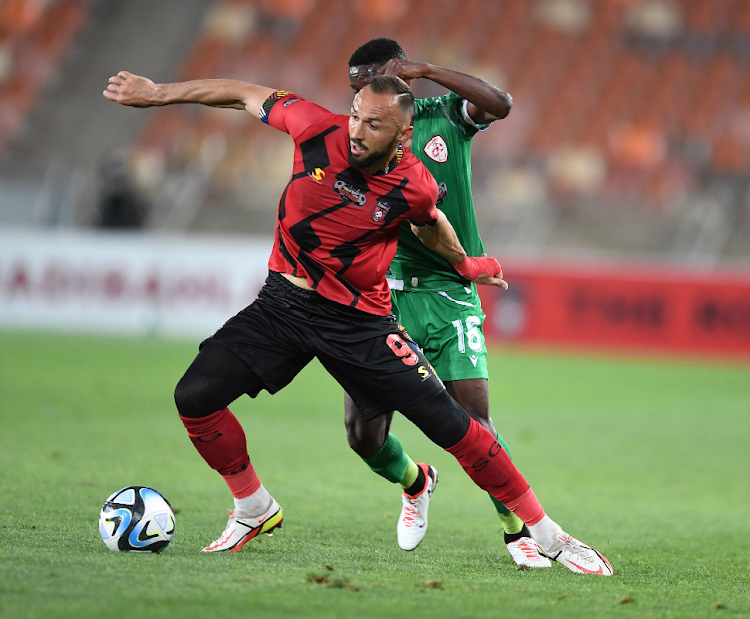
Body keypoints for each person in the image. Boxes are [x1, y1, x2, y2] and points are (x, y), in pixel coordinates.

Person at [103, 70, 612, 575]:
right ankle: (254, 507)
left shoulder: (414, 183)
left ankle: (549, 536)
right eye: (355, 116)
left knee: (458, 427)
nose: (356, 130)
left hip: (359, 322)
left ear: (402, 134)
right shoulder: (315, 128)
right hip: (284, 303)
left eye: (373, 124)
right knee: (194, 397)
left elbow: (430, 224)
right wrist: (158, 95)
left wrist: (466, 266)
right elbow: (241, 93)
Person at [343, 38, 547, 566]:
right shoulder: (351, 144)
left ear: (398, 77)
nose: (361, 105)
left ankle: (514, 526)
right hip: (383, 297)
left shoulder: (446, 116)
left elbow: (500, 103)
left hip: (448, 296)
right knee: (363, 435)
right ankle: (416, 482)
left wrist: (430, 70)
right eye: (354, 94)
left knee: (474, 423)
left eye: (369, 86)